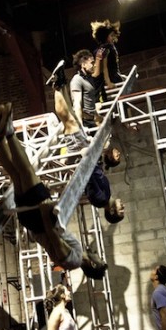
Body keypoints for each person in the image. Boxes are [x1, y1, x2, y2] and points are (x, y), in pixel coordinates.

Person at [0, 102, 108, 279]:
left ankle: (9, 131)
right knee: (15, 174)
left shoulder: (73, 261)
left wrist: (45, 210)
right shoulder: (75, 257)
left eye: (99, 259)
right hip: (33, 220)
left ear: (92, 264)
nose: (98, 255)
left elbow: (54, 239)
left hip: (38, 218)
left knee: (26, 170)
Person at [50, 64, 124, 224]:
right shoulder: (106, 195)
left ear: (112, 211)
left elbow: (88, 178)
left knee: (68, 121)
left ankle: (56, 86)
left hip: (83, 155)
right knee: (71, 117)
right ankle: (60, 83)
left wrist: (86, 156)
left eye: (121, 209)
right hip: (87, 155)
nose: (122, 205)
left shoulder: (101, 198)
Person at [91, 19, 124, 89]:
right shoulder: (107, 49)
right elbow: (104, 68)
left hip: (110, 80)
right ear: (105, 37)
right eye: (111, 36)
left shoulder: (100, 50)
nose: (113, 38)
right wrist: (108, 82)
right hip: (112, 81)